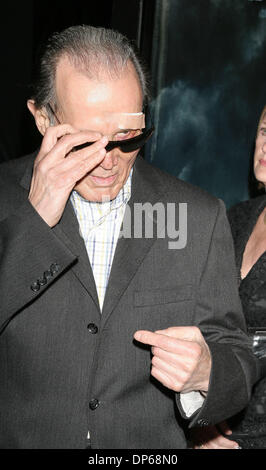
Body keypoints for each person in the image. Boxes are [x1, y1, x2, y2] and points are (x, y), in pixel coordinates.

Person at [0, 25, 260, 449]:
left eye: (127, 137)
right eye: (84, 142)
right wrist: (34, 221)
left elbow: (235, 353)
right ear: (42, 117)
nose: (108, 161)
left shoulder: (195, 215)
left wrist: (206, 372)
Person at [190, 106, 266, 449]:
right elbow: (203, 322)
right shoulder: (236, 217)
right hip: (209, 422)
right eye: (265, 131)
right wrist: (203, 419)